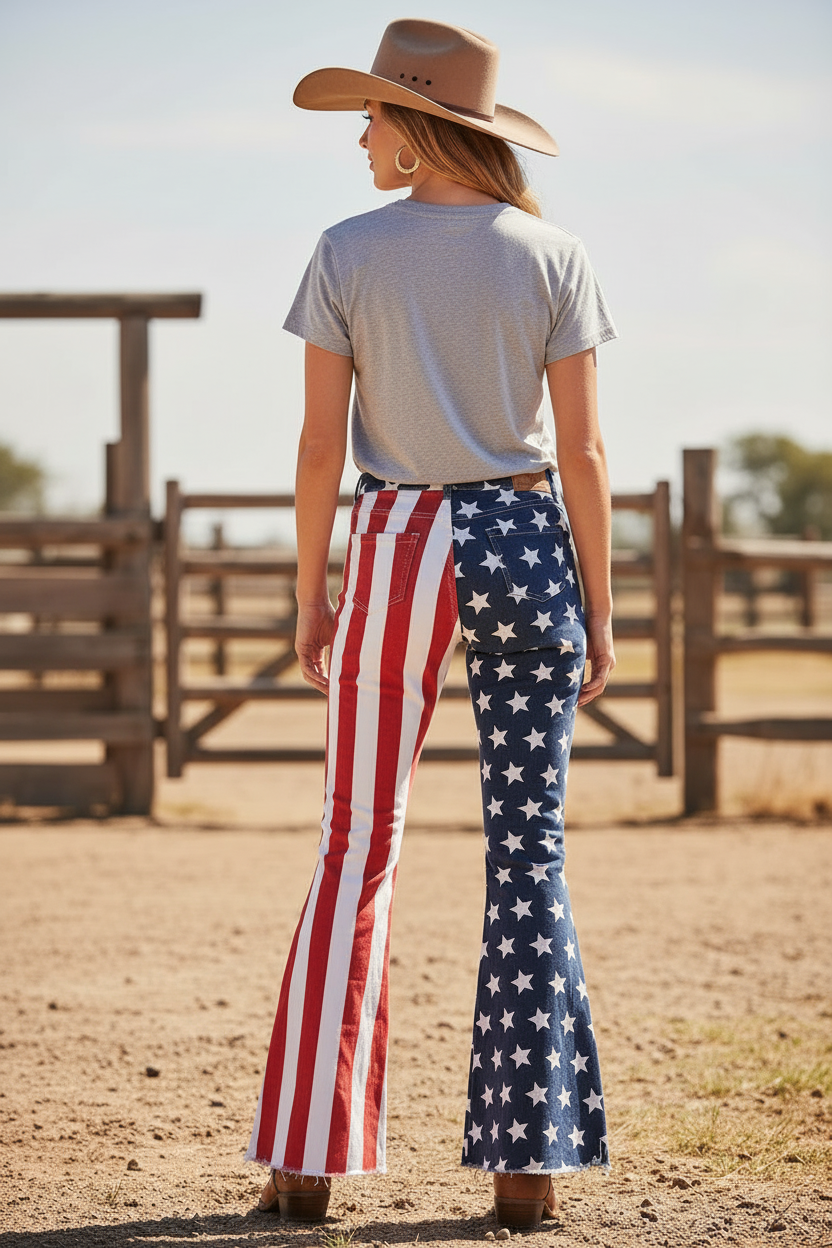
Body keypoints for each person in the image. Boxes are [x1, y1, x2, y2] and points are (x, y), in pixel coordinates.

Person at [246, 18, 617, 1227]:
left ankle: (306, 1160)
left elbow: (315, 449)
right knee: (530, 851)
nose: (357, 135)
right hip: (522, 540)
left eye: (369, 116)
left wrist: (315, 590)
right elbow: (585, 454)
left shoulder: (347, 252)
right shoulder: (552, 255)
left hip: (400, 539)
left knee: (357, 842)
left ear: (413, 127)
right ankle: (528, 1167)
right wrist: (599, 614)